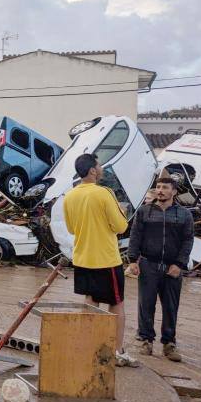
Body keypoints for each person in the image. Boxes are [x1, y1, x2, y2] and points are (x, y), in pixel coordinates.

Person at [63, 153, 138, 367]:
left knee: (91, 301)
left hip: (82, 258)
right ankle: (117, 351)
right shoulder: (104, 193)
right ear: (93, 171)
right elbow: (121, 227)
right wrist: (121, 212)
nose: (102, 168)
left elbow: (70, 229)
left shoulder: (70, 196)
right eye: (99, 165)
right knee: (116, 304)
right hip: (106, 259)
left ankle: (89, 347)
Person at [127, 177, 194, 362]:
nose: (160, 190)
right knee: (145, 304)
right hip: (148, 264)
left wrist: (179, 264)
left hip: (172, 267)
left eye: (165, 187)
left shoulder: (184, 215)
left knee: (171, 306)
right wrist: (133, 260)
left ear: (174, 192)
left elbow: (188, 240)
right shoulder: (144, 212)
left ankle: (169, 343)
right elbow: (135, 236)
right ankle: (146, 340)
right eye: (158, 187)